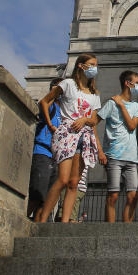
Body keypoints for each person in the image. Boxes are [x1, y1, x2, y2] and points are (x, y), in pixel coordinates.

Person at [34, 53, 107, 223]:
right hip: (67, 134)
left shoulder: (94, 94)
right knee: (63, 179)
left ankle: (64, 223)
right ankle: (43, 220)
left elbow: (94, 120)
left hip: (85, 137)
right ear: (81, 65)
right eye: (92, 64)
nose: (95, 68)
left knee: (74, 183)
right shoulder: (68, 84)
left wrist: (85, 120)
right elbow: (45, 101)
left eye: (96, 65)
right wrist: (51, 125)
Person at [97, 70, 138, 222]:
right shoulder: (111, 103)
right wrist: (100, 150)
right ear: (127, 83)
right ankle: (109, 231)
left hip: (131, 157)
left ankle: (125, 230)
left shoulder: (137, 107)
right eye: (136, 83)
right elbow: (93, 123)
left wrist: (121, 106)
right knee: (113, 195)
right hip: (113, 155)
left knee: (133, 196)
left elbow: (131, 126)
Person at [27, 77, 62, 220]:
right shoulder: (49, 106)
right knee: (37, 195)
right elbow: (43, 105)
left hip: (55, 156)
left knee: (46, 200)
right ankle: (22, 218)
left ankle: (37, 226)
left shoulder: (61, 109)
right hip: (42, 152)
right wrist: (53, 94)